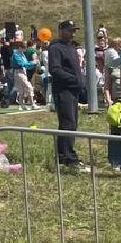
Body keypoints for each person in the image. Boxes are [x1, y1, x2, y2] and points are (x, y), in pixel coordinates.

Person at [47, 20, 89, 172]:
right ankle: (67, 157)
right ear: (61, 31)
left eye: (74, 31)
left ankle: (64, 155)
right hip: (63, 90)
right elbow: (55, 69)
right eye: (70, 30)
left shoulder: (70, 47)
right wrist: (74, 79)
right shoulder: (56, 48)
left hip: (73, 90)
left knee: (72, 123)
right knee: (67, 123)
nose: (72, 33)